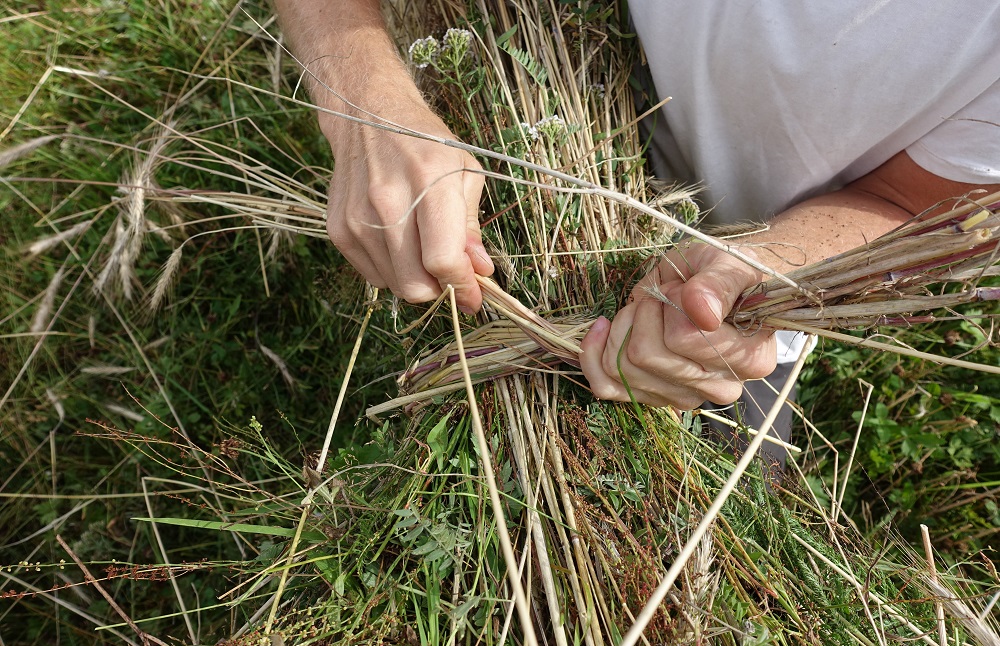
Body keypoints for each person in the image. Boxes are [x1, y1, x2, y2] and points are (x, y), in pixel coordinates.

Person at [273, 0, 1000, 454]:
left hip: (751, 270)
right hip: (551, 93)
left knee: (724, 528)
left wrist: (763, 270)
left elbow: (918, 207)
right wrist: (364, 99)